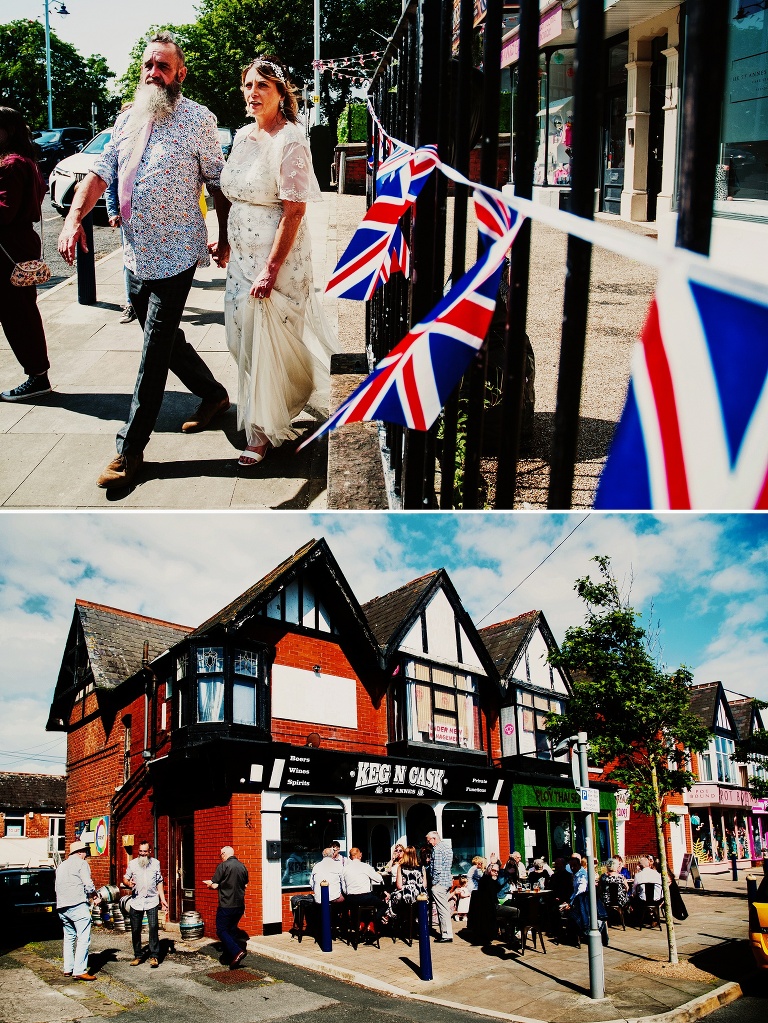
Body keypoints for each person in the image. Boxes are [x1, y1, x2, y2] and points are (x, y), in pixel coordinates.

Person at [57, 32, 231, 490]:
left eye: (164, 67)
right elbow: (102, 171)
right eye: (149, 65)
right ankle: (213, 395)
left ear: (180, 74)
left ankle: (129, 450)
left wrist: (225, 236)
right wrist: (75, 218)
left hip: (177, 251)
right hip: (135, 251)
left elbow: (216, 182)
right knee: (166, 338)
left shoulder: (200, 119)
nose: (154, 73)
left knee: (153, 349)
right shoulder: (128, 118)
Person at [209, 56, 338, 468]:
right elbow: (230, 193)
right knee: (239, 341)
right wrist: (225, 242)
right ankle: (286, 396)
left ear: (282, 93)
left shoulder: (292, 140)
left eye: (262, 86)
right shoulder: (244, 136)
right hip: (240, 261)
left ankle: (262, 432)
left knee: (266, 344)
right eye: (248, 86)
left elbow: (294, 211)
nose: (252, 93)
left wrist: (269, 269)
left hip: (277, 265)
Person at [0, 106, 51, 401]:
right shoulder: (26, 161)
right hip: (19, 246)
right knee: (21, 314)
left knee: (20, 317)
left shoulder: (10, 164)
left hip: (8, 250)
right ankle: (36, 373)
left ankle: (37, 376)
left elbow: (4, 212)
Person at [105, 103, 136, 324]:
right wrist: (112, 211)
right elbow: (110, 181)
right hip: (127, 217)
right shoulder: (118, 144)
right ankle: (130, 303)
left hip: (153, 218)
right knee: (128, 260)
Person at [54, 839, 101, 981]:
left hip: (62, 906)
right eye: (85, 852)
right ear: (80, 853)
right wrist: (94, 896)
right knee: (83, 937)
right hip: (77, 904)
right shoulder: (82, 863)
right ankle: (79, 970)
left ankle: (68, 968)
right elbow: (88, 884)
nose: (86, 855)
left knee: (69, 937)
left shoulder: (61, 866)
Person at [123, 839, 169, 968]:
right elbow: (125, 878)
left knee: (153, 927)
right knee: (136, 929)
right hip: (136, 901)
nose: (142, 854)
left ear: (149, 851)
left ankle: (154, 956)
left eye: (145, 851)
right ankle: (138, 955)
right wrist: (128, 883)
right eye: (140, 851)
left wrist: (163, 899)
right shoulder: (132, 864)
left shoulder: (156, 863)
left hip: (152, 900)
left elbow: (159, 881)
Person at [203, 845, 249, 969]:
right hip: (239, 905)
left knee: (221, 929)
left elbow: (214, 884)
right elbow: (245, 885)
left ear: (223, 854)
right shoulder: (242, 866)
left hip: (226, 904)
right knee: (231, 929)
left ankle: (236, 951)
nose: (220, 857)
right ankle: (229, 956)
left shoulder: (223, 866)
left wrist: (209, 884)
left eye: (220, 855)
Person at [341, 847, 386, 922]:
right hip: (365, 898)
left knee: (350, 905)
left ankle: (357, 925)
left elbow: (344, 890)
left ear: (350, 857)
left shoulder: (345, 869)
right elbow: (379, 879)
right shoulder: (365, 866)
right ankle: (372, 922)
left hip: (351, 899)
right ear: (360, 855)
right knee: (383, 905)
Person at [426, 830, 453, 942]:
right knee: (445, 909)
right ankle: (448, 933)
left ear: (434, 838)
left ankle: (446, 934)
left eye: (429, 840)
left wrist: (434, 883)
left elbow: (436, 869)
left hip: (439, 883)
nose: (428, 843)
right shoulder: (447, 847)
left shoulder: (437, 850)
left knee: (442, 909)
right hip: (446, 881)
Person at [386, 845, 426, 920]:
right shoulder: (421, 867)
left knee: (393, 898)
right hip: (420, 895)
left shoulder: (401, 867)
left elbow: (399, 886)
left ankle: (396, 920)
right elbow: (424, 884)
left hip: (406, 895)